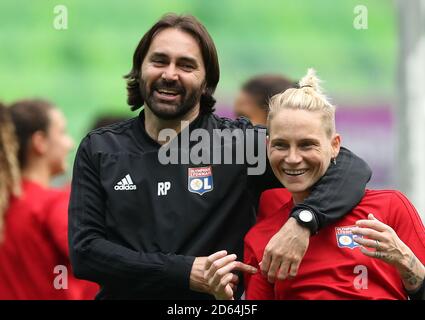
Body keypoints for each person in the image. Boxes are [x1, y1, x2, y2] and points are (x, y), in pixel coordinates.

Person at [68, 13, 372, 300]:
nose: (170, 74)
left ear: (206, 82)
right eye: (159, 61)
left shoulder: (238, 144)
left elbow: (348, 166)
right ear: (140, 69)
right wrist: (185, 272)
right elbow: (86, 253)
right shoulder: (101, 149)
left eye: (186, 66)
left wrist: (303, 221)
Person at [204, 69, 425, 300]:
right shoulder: (262, 238)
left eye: (307, 145)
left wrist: (405, 262)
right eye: (281, 145)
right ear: (267, 146)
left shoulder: (390, 208)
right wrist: (225, 302)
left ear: (335, 145)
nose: (292, 158)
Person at [0, 99, 98, 299]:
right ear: (40, 142)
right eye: (62, 133)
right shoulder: (52, 203)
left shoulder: (5, 203)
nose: (70, 144)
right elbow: (95, 259)